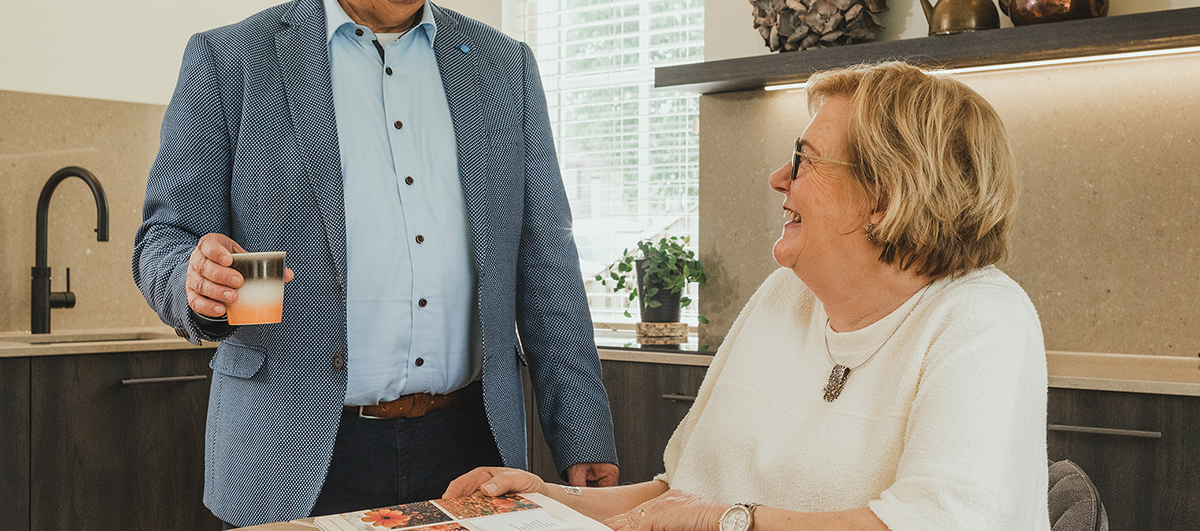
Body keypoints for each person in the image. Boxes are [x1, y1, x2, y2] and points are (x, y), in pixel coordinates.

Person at [132, 0, 617, 528]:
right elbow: (165, 238)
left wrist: (582, 435)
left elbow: (546, 263)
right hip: (297, 451)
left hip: (468, 448)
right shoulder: (232, 61)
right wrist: (195, 280)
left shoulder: (501, 68)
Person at [447, 61, 1050, 531]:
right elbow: (675, 498)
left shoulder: (981, 320)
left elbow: (941, 524)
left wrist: (728, 521)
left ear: (887, 193)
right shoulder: (786, 295)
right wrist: (548, 500)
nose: (778, 178)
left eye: (804, 160)